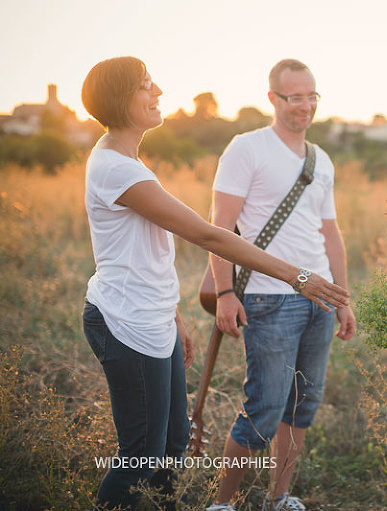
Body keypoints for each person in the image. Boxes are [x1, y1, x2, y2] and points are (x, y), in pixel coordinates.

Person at [80, 56, 348, 511]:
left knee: (174, 441)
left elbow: (143, 258)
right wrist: (296, 276)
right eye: (147, 85)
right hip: (125, 322)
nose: (159, 91)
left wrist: (175, 317)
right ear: (119, 98)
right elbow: (207, 233)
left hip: (153, 318)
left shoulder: (130, 162)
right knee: (140, 459)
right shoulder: (115, 169)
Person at [206, 59, 356, 511]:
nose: (305, 106)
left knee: (302, 407)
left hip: (321, 301)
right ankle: (222, 504)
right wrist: (226, 292)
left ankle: (279, 498)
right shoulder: (246, 148)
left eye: (312, 96)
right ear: (272, 98)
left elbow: (330, 232)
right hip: (269, 299)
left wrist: (342, 298)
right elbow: (220, 227)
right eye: (295, 97)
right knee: (264, 408)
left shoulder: (321, 159)